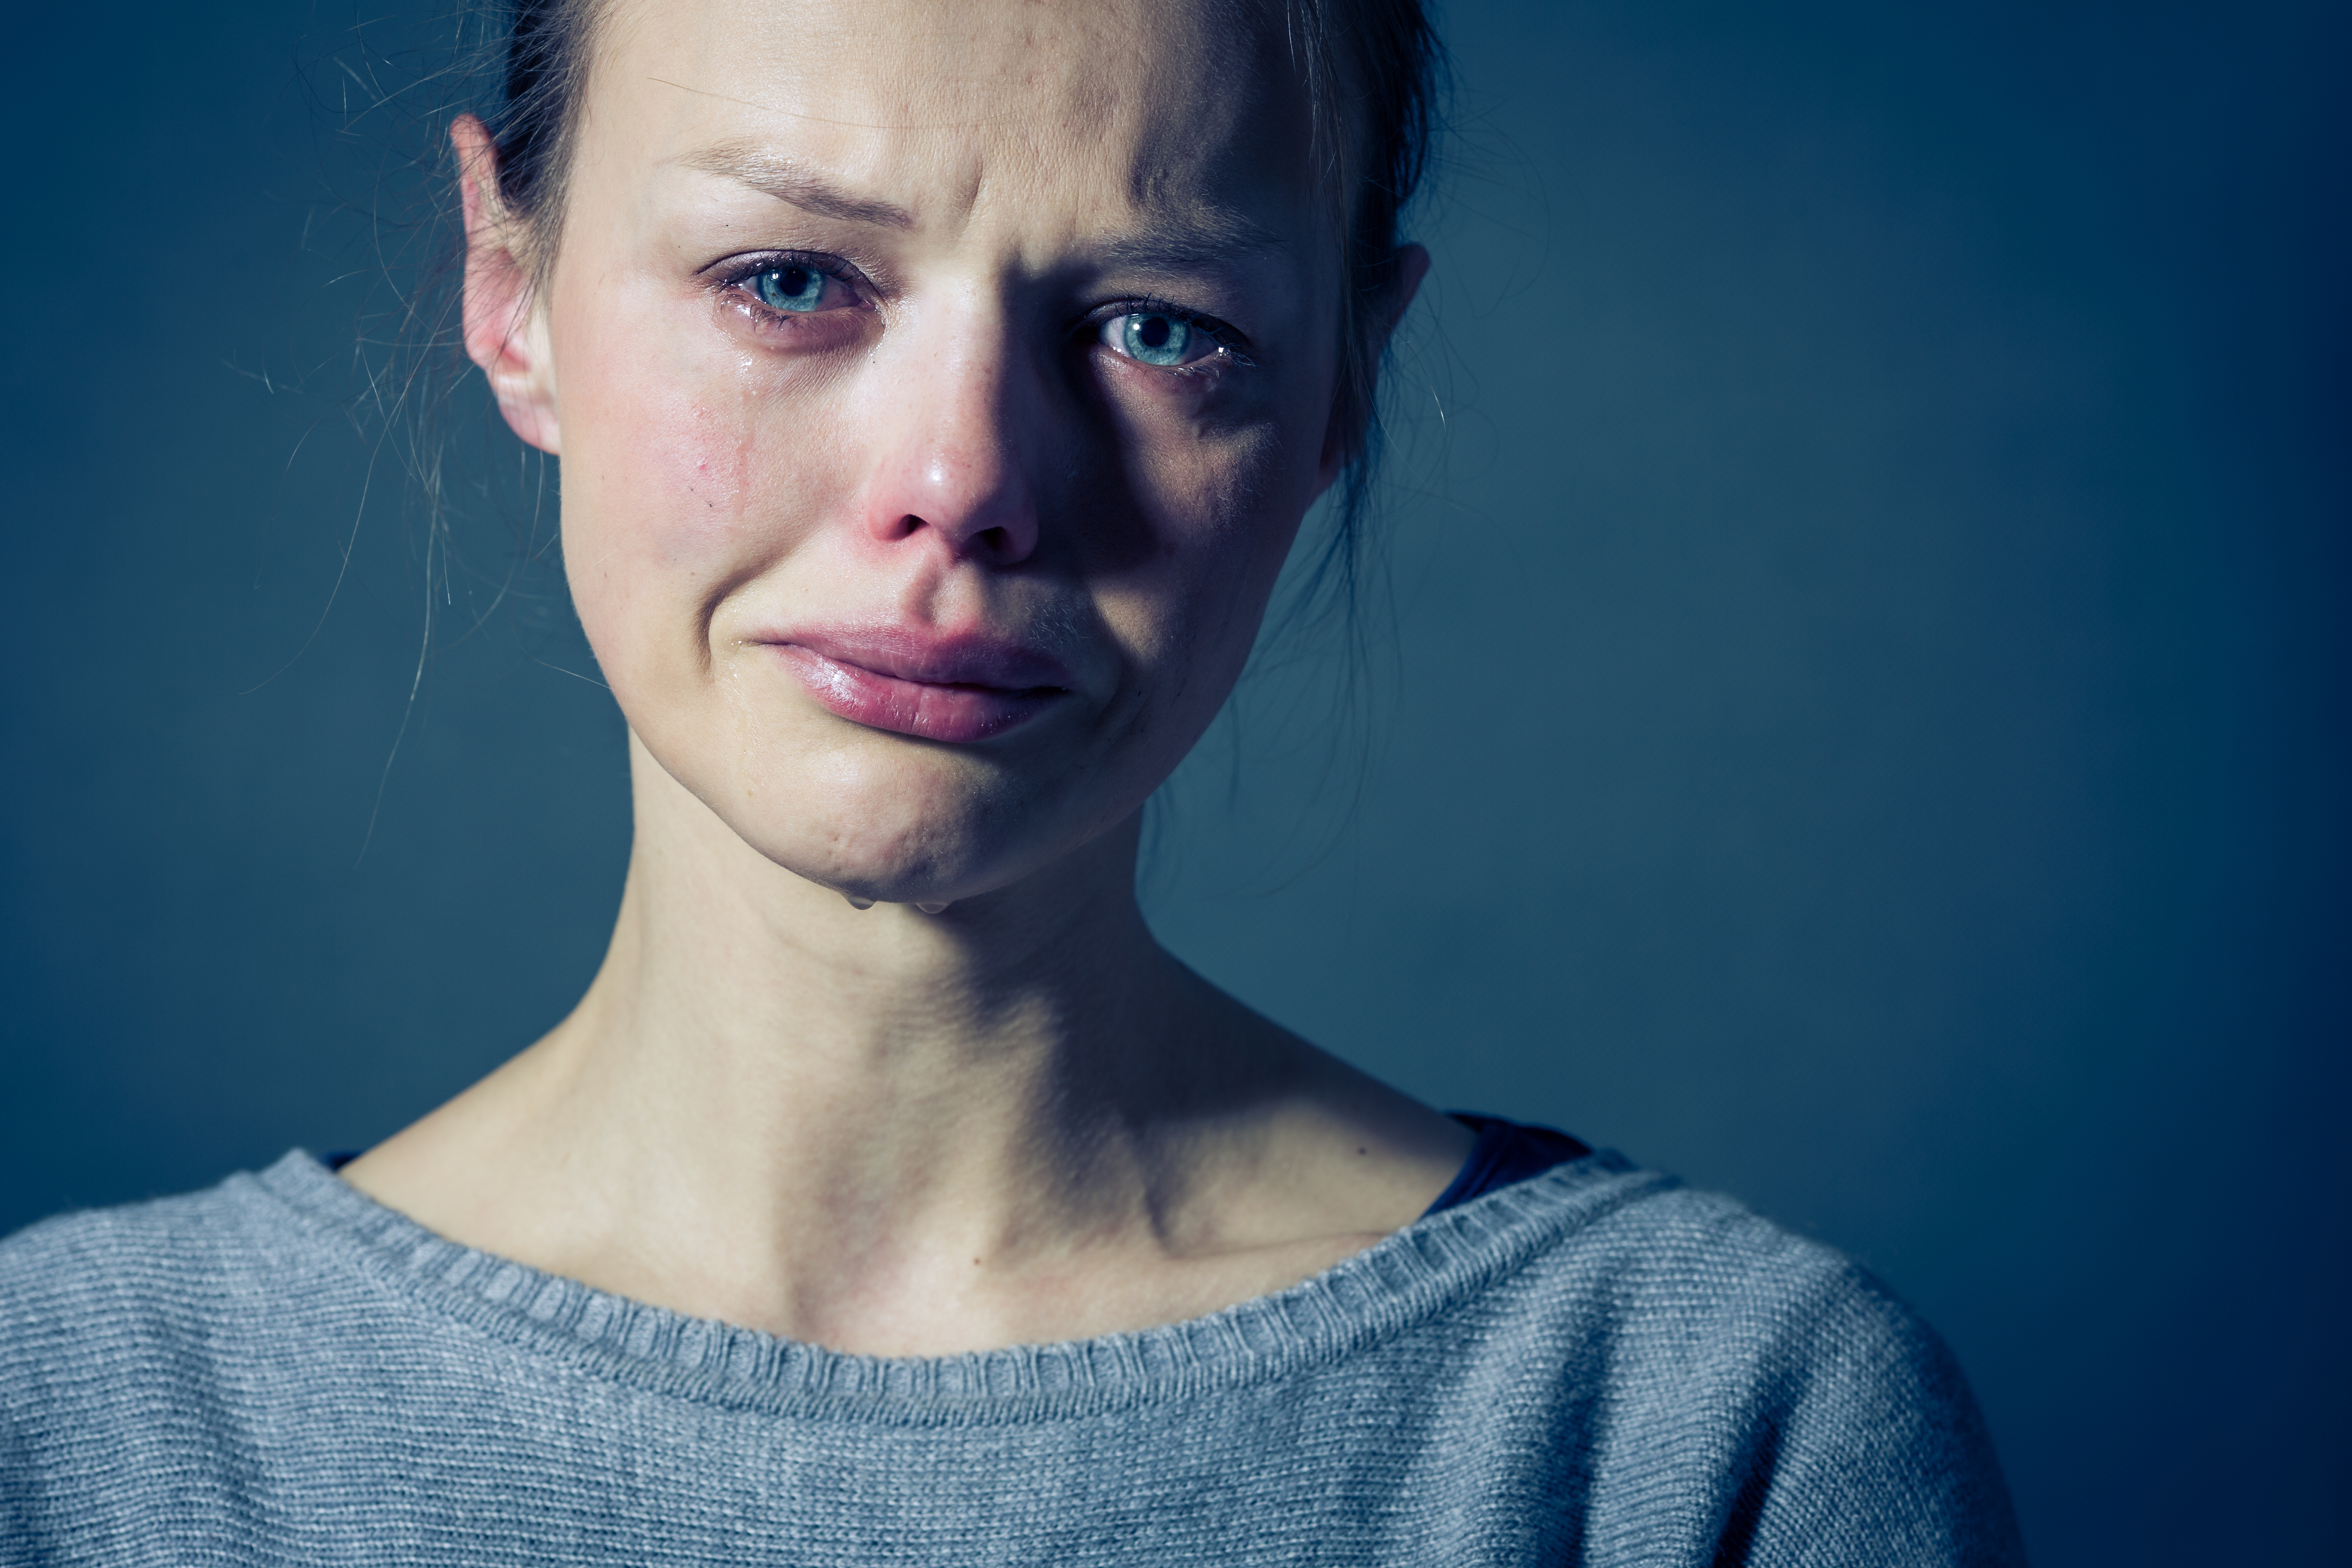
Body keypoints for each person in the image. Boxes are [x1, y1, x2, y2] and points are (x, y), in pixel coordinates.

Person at [0, 0, 2025, 1560]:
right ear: (510, 290)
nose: (964, 484)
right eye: (791, 279)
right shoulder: (73, 1430)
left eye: (1160, 327)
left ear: (1343, 384)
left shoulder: (1697, 1438)